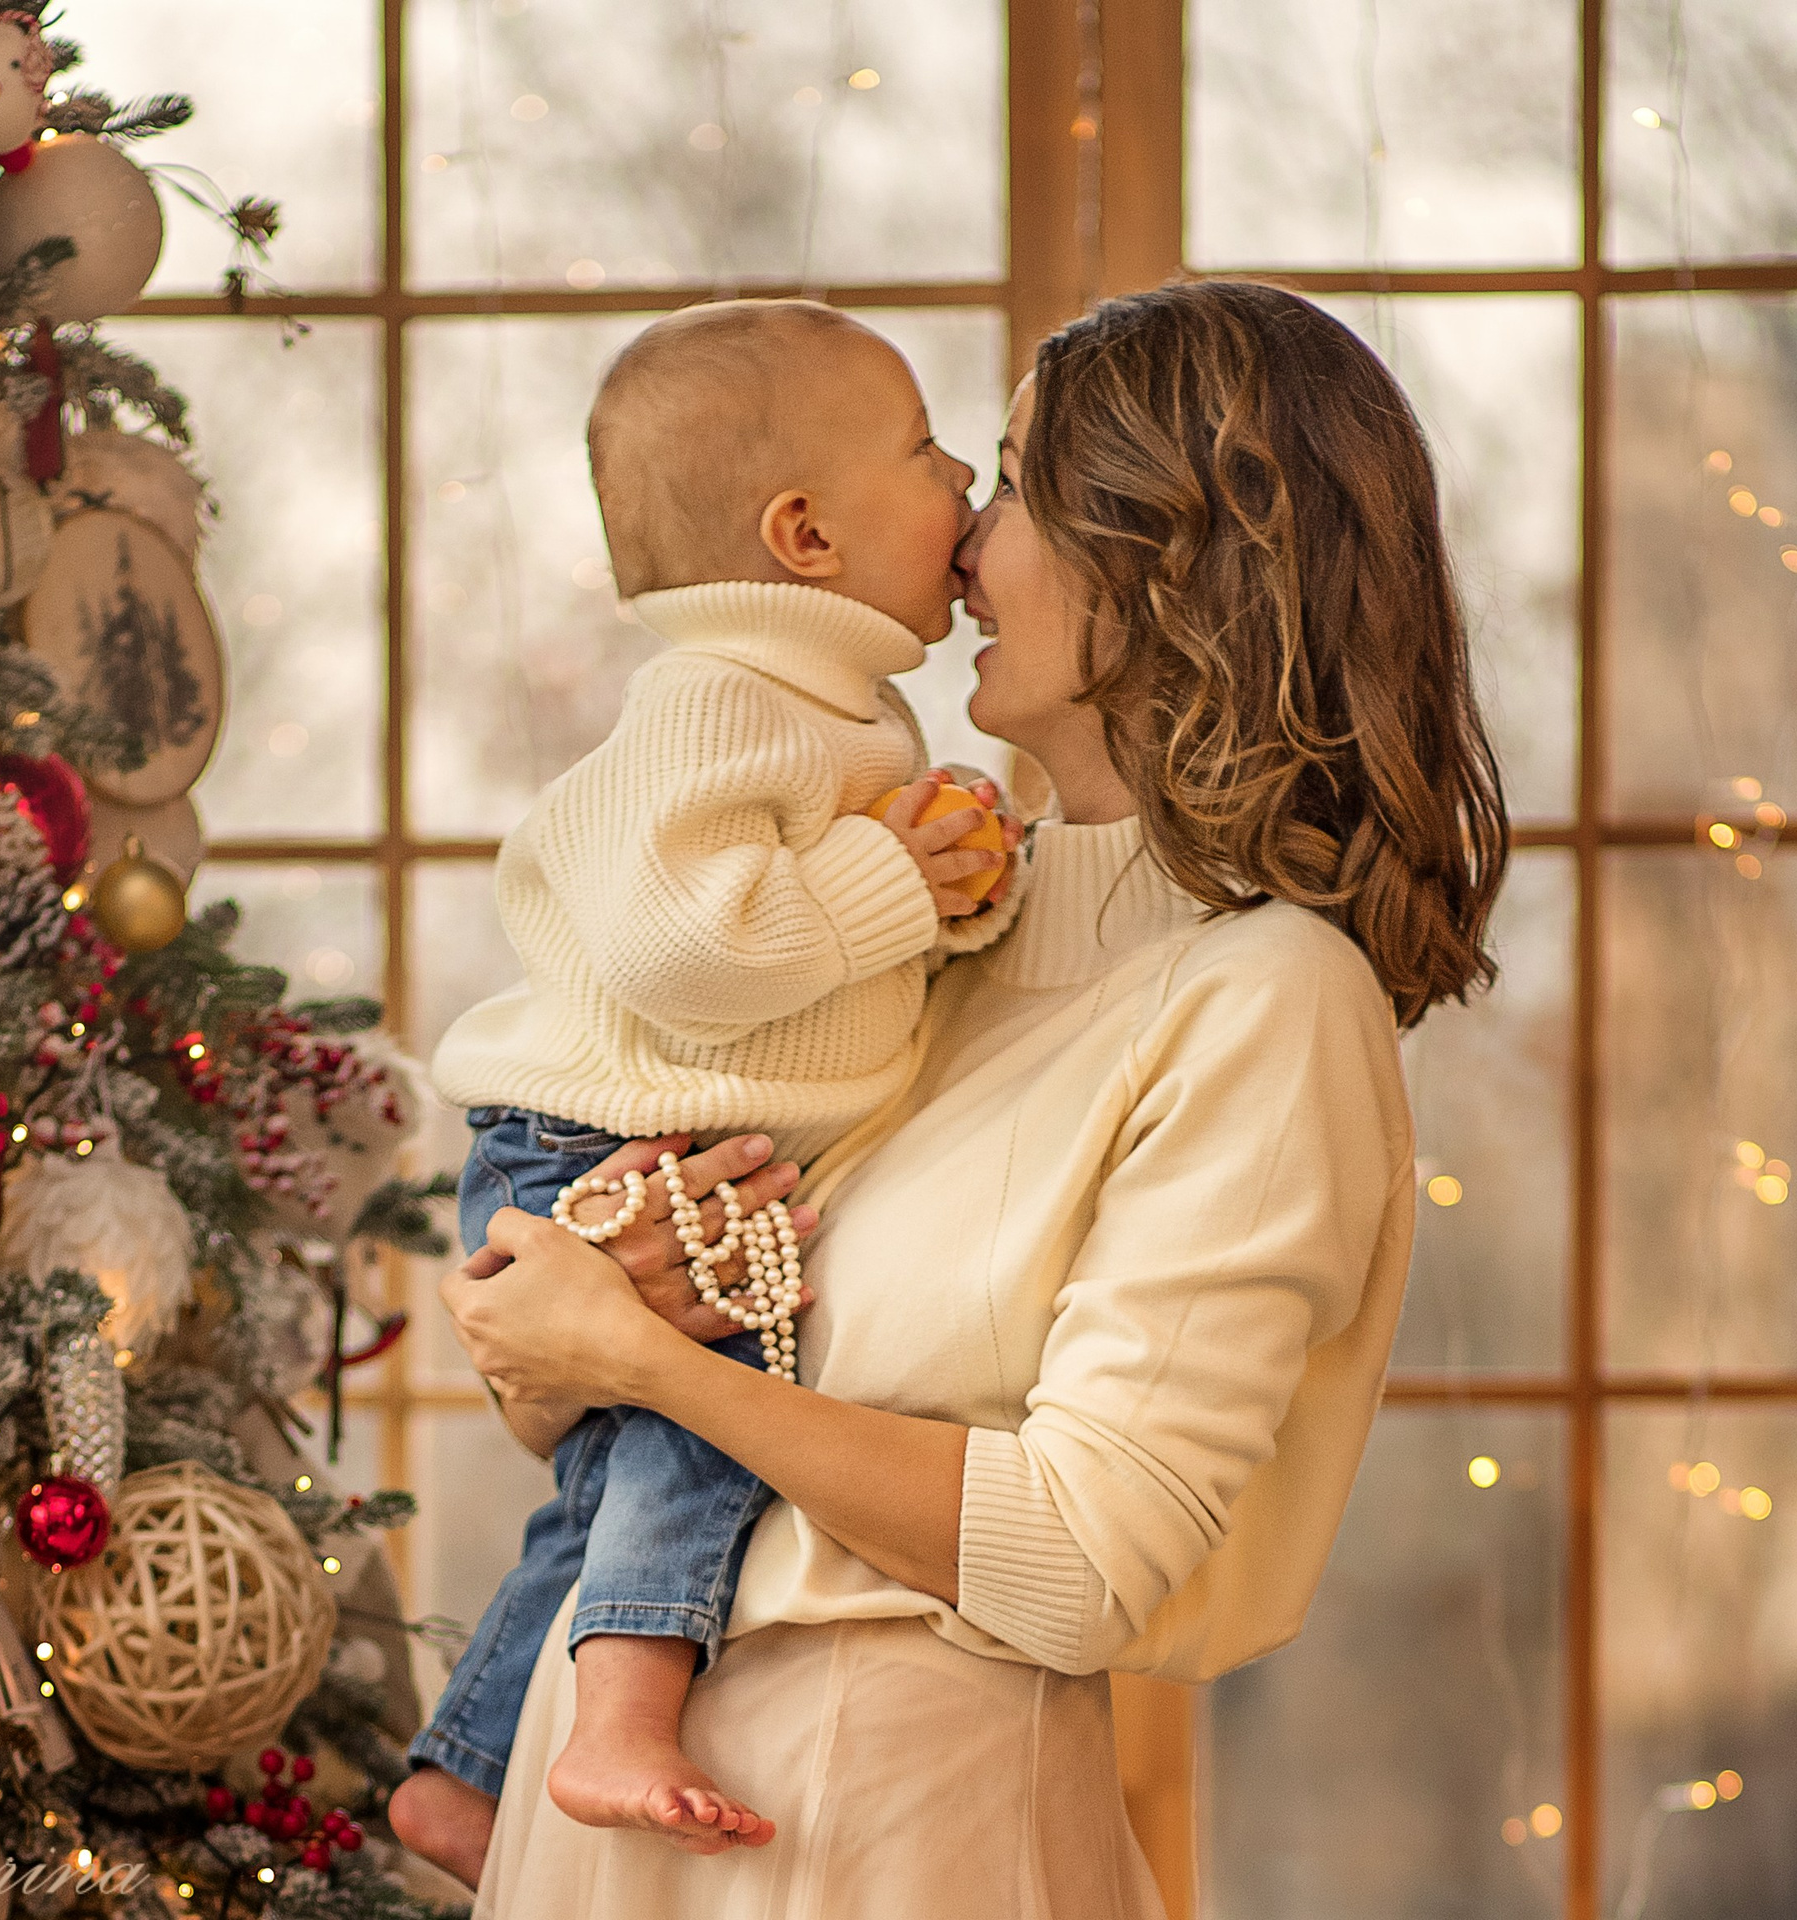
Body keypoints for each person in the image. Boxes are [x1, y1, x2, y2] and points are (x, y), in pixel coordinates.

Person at [413, 279, 1510, 1916]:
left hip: (882, 1833)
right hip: (608, 1827)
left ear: (1175, 558)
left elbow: (1076, 1561)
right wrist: (566, 1317)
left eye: (1007, 481)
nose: (967, 538)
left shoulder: (1269, 1002)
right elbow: (598, 1398)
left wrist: (644, 1358)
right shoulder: (911, 930)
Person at [399, 298, 1025, 1881]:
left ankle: (467, 1770)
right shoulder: (719, 700)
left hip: (663, 1127)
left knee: (628, 1455)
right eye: (931, 453)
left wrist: (958, 882)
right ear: (805, 533)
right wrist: (895, 875)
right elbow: (686, 945)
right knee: (711, 1423)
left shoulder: (837, 710)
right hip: (601, 1135)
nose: (963, 487)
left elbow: (849, 956)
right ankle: (617, 1719)